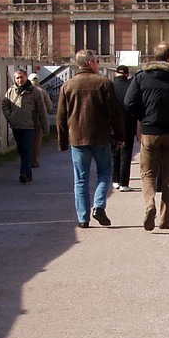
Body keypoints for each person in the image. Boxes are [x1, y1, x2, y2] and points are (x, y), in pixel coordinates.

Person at [123, 42, 169, 231]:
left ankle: (150, 204)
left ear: (154, 57)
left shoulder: (141, 77)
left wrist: (144, 116)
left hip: (150, 131)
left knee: (148, 173)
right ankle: (166, 219)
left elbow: (129, 102)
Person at [55, 48, 125, 228]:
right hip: (101, 136)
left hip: (77, 138)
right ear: (90, 63)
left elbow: (61, 116)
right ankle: (99, 206)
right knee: (105, 172)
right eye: (97, 61)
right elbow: (115, 114)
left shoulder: (68, 86)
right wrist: (119, 136)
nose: (98, 65)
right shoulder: (104, 83)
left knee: (80, 179)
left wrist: (62, 141)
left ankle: (83, 218)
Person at [1, 67, 47, 185]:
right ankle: (29, 174)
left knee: (26, 149)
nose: (19, 80)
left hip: (30, 126)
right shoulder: (11, 91)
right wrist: (10, 117)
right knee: (21, 150)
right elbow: (5, 105)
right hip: (16, 126)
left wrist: (45, 127)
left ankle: (23, 174)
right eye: (17, 78)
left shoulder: (34, 91)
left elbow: (41, 109)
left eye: (21, 77)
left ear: (26, 77)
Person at [111, 65, 138, 191]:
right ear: (127, 74)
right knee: (126, 153)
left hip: (112, 124)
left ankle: (115, 180)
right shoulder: (131, 86)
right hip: (128, 123)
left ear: (116, 74)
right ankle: (124, 183)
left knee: (114, 152)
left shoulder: (110, 86)